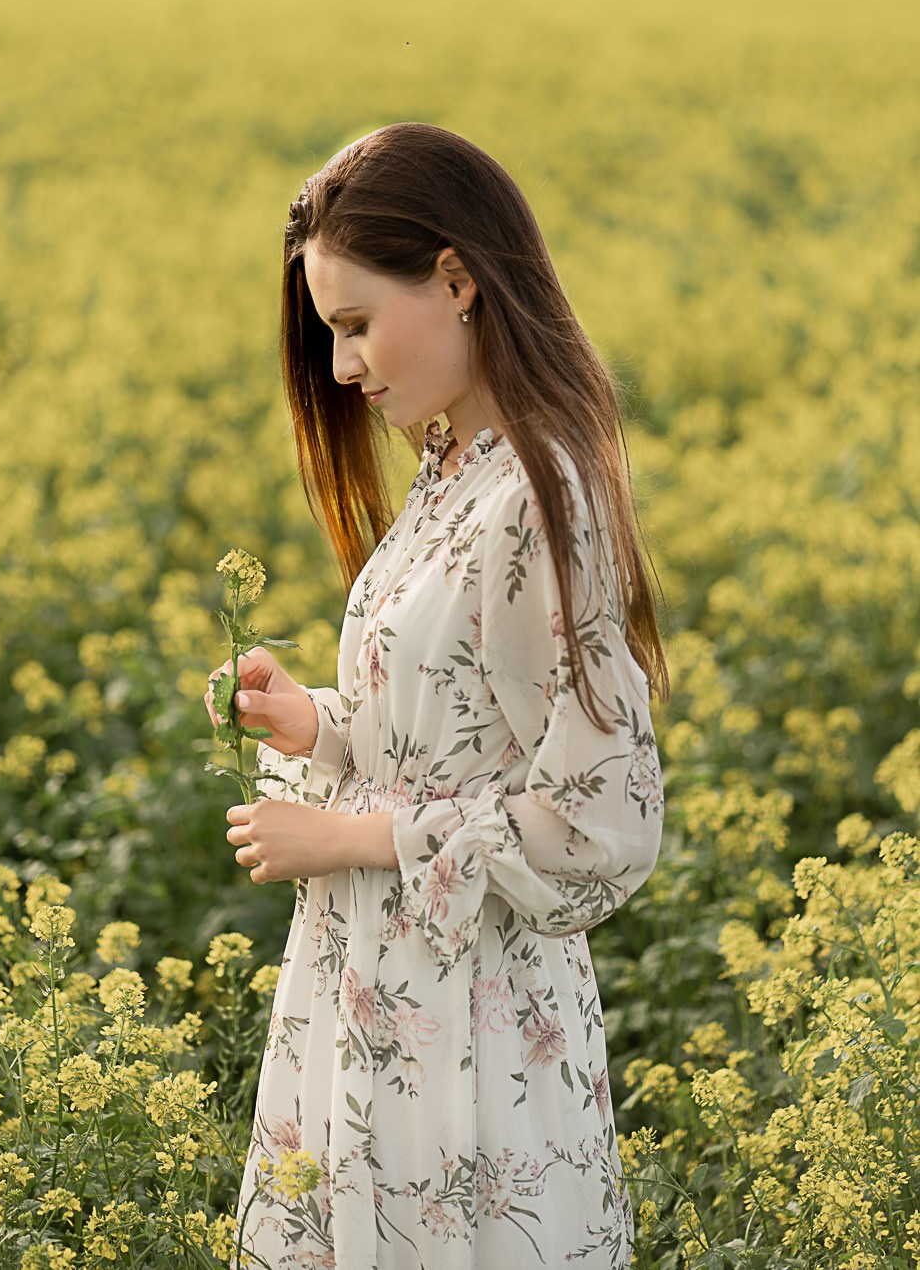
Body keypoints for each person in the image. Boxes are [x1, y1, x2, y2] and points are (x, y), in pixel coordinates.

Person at [204, 122, 669, 1270]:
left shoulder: (536, 494)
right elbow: (459, 738)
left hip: (468, 1022)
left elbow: (597, 822)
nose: (343, 368)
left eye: (356, 326)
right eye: (331, 335)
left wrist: (352, 836)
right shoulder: (452, 470)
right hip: (378, 996)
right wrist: (315, 721)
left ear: (457, 281)